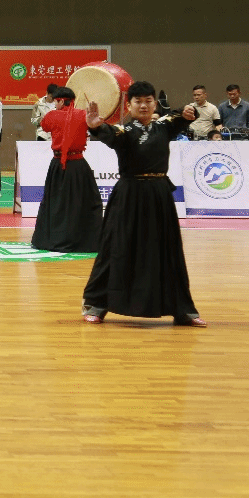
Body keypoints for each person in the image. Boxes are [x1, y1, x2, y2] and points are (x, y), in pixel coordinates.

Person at [81, 82, 206, 327]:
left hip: (159, 196)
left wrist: (189, 112)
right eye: (138, 101)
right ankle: (96, 304)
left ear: (154, 104)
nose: (144, 106)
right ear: (129, 106)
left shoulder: (164, 126)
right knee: (116, 247)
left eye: (148, 101)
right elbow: (107, 133)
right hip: (128, 196)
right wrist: (94, 126)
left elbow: (182, 118)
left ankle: (182, 310)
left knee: (168, 250)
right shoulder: (122, 131)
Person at [31, 87, 102, 253]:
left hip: (58, 166)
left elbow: (44, 126)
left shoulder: (52, 115)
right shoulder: (83, 114)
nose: (55, 105)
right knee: (85, 202)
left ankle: (53, 239)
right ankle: (86, 240)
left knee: (55, 203)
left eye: (56, 102)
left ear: (61, 101)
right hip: (79, 166)